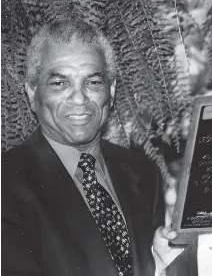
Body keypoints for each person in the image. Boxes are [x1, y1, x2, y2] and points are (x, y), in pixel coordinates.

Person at [1, 20, 179, 276]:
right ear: (31, 92)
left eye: (93, 82)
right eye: (60, 83)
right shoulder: (5, 183)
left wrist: (159, 268)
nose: (79, 98)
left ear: (112, 90)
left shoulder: (143, 173)